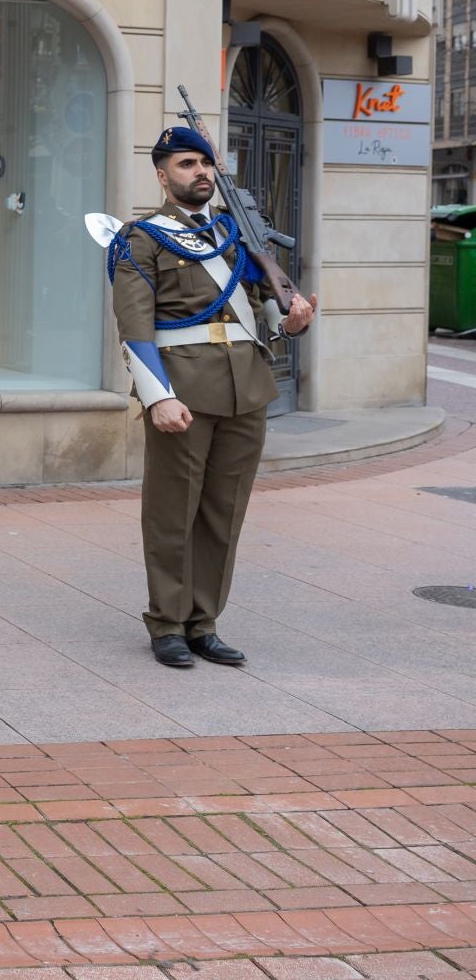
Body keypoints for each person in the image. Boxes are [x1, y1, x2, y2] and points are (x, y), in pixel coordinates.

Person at [109, 125, 313, 668]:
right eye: (185, 163)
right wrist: (157, 397)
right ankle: (167, 623)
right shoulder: (141, 237)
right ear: (162, 175)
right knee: (173, 511)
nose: (199, 172)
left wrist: (292, 321)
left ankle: (204, 621)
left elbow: (259, 308)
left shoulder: (234, 233)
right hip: (184, 389)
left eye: (205, 163)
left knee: (225, 511)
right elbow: (134, 327)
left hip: (246, 387)